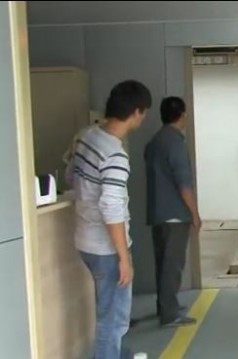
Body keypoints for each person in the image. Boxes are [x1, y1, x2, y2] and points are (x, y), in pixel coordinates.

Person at [66, 80, 151, 358]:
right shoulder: (115, 154)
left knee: (109, 315)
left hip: (84, 239)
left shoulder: (86, 136)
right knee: (112, 322)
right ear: (137, 112)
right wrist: (123, 256)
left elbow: (69, 176)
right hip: (105, 248)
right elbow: (111, 207)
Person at [144, 96, 201, 327]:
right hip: (175, 214)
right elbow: (183, 185)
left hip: (157, 212)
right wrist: (195, 215)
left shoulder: (154, 142)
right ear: (182, 115)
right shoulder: (176, 143)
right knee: (173, 266)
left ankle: (166, 306)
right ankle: (170, 315)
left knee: (162, 264)